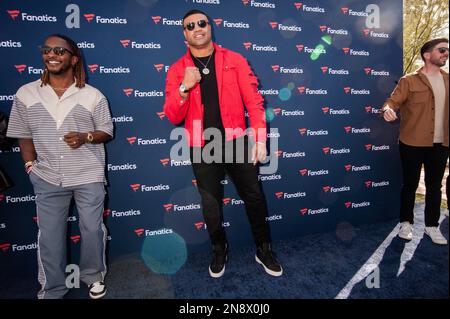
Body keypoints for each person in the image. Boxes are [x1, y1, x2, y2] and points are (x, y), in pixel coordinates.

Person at [163, 9, 282, 278]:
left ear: (210, 27)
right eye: (190, 25)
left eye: (201, 23)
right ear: (185, 33)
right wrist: (184, 87)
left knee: (253, 197)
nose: (197, 28)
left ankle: (263, 249)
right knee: (211, 204)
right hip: (201, 145)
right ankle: (219, 249)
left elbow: (254, 101)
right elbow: (173, 115)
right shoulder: (178, 69)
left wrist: (260, 139)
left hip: (237, 140)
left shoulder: (235, 59)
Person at [6, 34, 113, 298]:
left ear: (73, 58)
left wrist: (86, 137)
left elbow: (106, 131)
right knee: (50, 237)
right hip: (47, 177)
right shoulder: (26, 93)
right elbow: (23, 134)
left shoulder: (92, 95)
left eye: (59, 51)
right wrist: (30, 165)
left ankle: (93, 276)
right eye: (47, 50)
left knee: (92, 229)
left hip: (88, 174)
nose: (51, 55)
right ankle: (52, 288)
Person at [382, 38, 449, 245]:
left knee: (434, 186)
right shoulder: (409, 81)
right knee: (410, 185)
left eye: (447, 51)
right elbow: (392, 101)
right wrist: (388, 110)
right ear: (427, 55)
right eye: (442, 50)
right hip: (412, 142)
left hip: (442, 143)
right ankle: (406, 223)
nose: (446, 53)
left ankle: (431, 226)